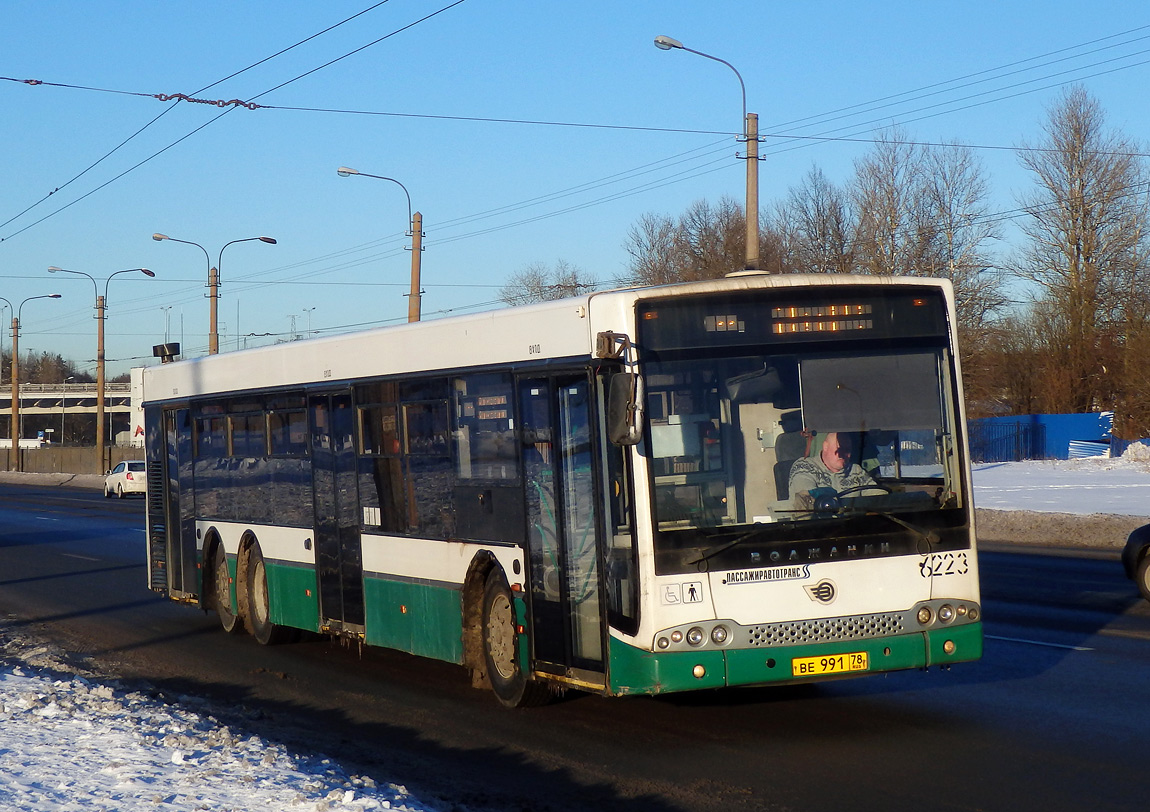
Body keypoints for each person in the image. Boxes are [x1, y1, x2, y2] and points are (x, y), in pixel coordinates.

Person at [788, 431, 880, 511]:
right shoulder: (804, 466)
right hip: (818, 526)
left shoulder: (855, 470)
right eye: (840, 449)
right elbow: (807, 499)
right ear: (825, 447)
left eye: (847, 450)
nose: (843, 454)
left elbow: (878, 497)